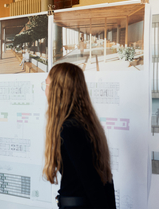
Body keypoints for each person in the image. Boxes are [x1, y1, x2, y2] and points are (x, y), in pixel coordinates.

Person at [42, 63, 116, 209]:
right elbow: (103, 179)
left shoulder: (69, 129)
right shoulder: (86, 124)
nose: (45, 90)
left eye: (47, 85)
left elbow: (91, 182)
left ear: (57, 90)